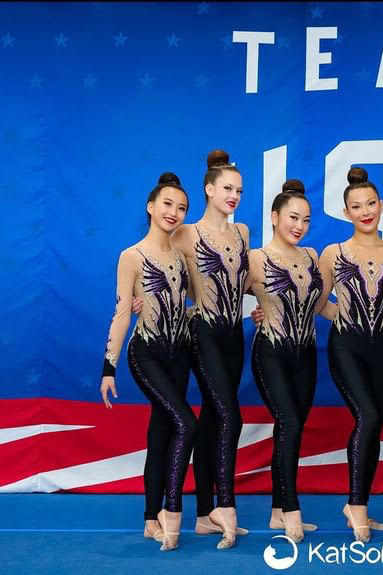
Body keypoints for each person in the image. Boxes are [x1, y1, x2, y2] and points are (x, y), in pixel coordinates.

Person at [318, 167, 383, 542]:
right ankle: (356, 505)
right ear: (347, 213)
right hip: (347, 346)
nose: (365, 211)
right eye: (356, 206)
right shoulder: (334, 252)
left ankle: (360, 504)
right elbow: (315, 302)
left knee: (372, 426)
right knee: (368, 415)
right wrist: (343, 315)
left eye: (370, 203)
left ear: (381, 206)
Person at [100, 172, 196, 552]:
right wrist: (109, 367)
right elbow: (123, 312)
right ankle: (172, 512)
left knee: (161, 434)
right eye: (168, 204)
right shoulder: (132, 256)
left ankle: (149, 520)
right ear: (151, 206)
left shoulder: (184, 256)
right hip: (148, 353)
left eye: (182, 207)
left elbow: (194, 304)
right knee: (187, 424)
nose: (174, 212)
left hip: (180, 352)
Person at [169, 150, 250, 549]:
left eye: (239, 190)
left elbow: (248, 282)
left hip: (234, 335)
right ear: (209, 189)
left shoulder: (243, 233)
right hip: (202, 332)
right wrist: (146, 301)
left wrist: (269, 310)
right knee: (230, 416)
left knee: (213, 421)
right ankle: (224, 505)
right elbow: (160, 265)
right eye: (227, 189)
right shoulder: (186, 234)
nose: (234, 196)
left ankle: (203, 517)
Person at [247, 179, 328, 543]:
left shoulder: (312, 256)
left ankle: (279, 511)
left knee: (289, 429)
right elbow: (213, 291)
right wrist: (253, 311)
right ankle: (292, 508)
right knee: (291, 424)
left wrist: (365, 317)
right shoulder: (255, 259)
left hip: (306, 353)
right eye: (293, 218)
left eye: (306, 220)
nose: (299, 226)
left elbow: (324, 305)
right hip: (271, 352)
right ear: (275, 217)